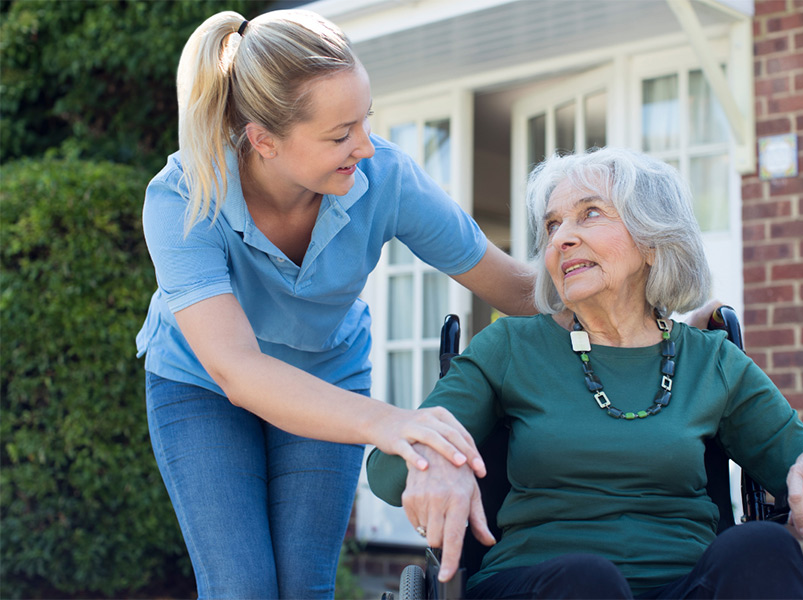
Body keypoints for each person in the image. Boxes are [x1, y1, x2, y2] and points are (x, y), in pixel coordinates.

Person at [135, 9, 543, 598]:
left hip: (326, 371)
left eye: (364, 121)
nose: (364, 146)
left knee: (304, 587)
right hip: (202, 386)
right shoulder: (183, 198)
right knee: (242, 587)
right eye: (339, 134)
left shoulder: (386, 178)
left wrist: (632, 309)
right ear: (264, 140)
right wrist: (391, 423)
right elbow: (238, 371)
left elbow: (510, 285)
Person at [367, 147, 803, 599]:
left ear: (652, 241)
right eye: (552, 226)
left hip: (686, 583)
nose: (561, 239)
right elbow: (388, 477)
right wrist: (438, 459)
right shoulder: (510, 347)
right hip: (544, 584)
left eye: (589, 214)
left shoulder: (712, 362)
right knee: (587, 581)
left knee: (766, 549)